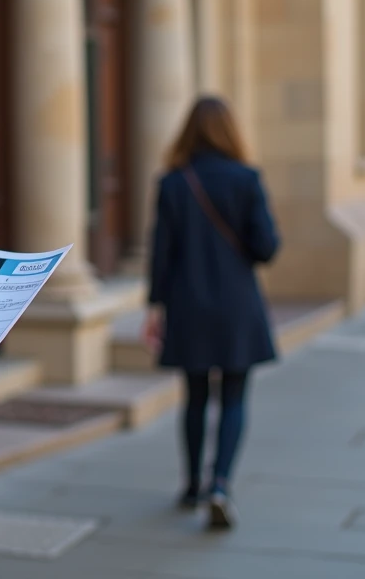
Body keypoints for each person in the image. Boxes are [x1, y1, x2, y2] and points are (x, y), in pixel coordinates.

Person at [140, 96, 280, 531]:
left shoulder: (173, 183)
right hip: (238, 304)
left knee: (196, 396)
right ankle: (221, 484)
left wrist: (154, 306)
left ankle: (191, 483)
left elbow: (160, 253)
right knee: (235, 395)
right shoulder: (246, 179)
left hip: (189, 303)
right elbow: (267, 247)